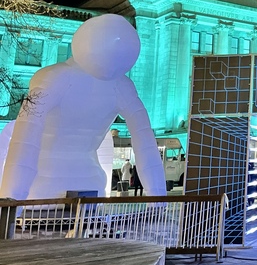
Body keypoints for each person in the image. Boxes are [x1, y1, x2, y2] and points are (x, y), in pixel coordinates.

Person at [0, 14, 167, 200]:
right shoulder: (122, 87)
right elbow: (146, 145)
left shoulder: (54, 78)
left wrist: (13, 199)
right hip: (88, 182)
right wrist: (158, 199)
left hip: (43, 185)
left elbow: (25, 139)